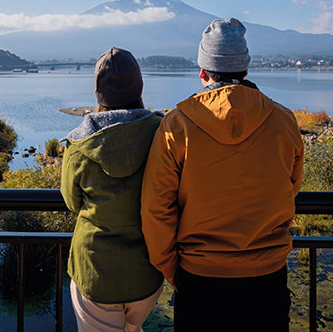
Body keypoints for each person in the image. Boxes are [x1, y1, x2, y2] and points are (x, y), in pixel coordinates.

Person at [140, 18, 304, 331]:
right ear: (245, 68)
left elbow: (156, 208)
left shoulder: (177, 125)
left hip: (200, 278)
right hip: (267, 277)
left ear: (202, 71)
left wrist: (169, 267)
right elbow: (291, 187)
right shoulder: (284, 120)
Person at [61, 47, 164, 332]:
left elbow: (72, 202)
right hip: (147, 271)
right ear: (139, 85)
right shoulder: (164, 133)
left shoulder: (80, 145)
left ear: (98, 92)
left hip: (95, 271)